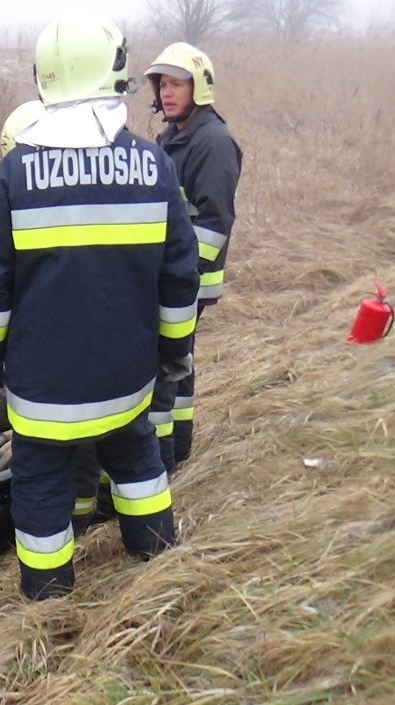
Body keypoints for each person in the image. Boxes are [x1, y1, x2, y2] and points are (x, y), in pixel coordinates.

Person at [0, 10, 199, 600]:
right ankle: (157, 562)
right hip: (127, 378)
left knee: (41, 483)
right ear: (114, 74)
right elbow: (180, 277)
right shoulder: (154, 165)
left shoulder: (15, 173)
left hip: (42, 390)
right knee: (138, 462)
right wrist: (175, 351)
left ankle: (48, 598)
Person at [0, 101, 111, 536]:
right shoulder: (87, 196)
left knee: (66, 451)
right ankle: (88, 513)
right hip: (97, 352)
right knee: (97, 441)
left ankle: (77, 519)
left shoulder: (24, 200)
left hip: (51, 356)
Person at [144, 43, 244, 472]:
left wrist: (179, 275)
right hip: (176, 278)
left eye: (177, 84)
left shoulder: (213, 142)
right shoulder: (176, 137)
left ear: (198, 88)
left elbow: (215, 221)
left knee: (162, 373)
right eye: (163, 85)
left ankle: (159, 462)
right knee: (178, 362)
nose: (167, 93)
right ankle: (180, 449)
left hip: (187, 281)